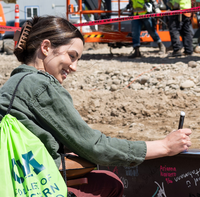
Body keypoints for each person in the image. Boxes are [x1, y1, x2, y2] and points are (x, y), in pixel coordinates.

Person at [0, 16, 191, 197]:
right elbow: (95, 146)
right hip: (27, 183)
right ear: (46, 47)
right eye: (72, 56)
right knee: (110, 183)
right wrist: (164, 146)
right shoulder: (41, 86)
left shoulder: (15, 81)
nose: (74, 67)